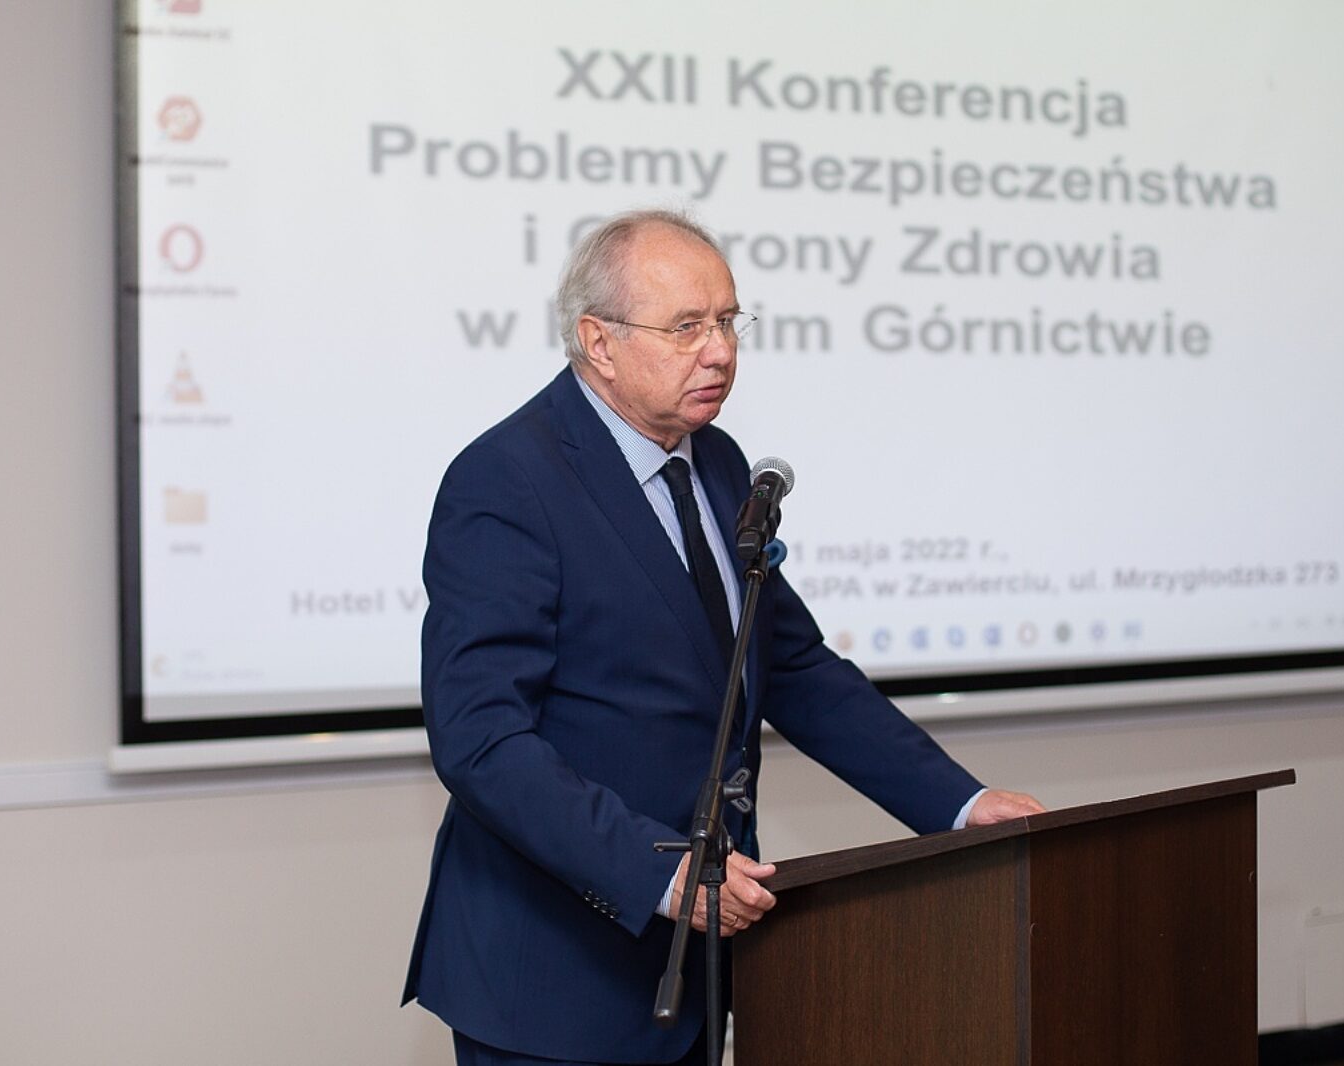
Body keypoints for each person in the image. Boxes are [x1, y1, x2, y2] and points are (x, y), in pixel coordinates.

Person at [403, 209, 1043, 1065]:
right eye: (686, 328)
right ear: (598, 342)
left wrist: (960, 806)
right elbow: (480, 739)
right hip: (554, 980)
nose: (720, 352)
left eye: (728, 321)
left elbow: (794, 667)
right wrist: (657, 871)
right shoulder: (507, 481)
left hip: (704, 962)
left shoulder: (717, 460)